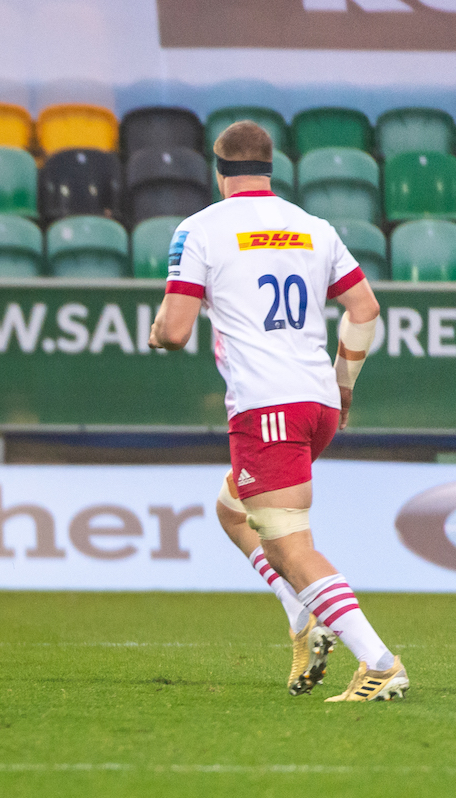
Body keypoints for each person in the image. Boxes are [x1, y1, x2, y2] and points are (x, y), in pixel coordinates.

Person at [150, 121, 407, 702]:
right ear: (271, 170)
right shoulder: (313, 227)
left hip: (267, 408)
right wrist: (343, 384)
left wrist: (156, 331)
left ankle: (379, 663)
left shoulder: (200, 229)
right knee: (233, 511)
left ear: (219, 172)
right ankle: (300, 613)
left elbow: (175, 330)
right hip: (317, 403)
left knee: (291, 546)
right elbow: (364, 308)